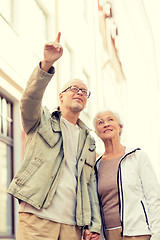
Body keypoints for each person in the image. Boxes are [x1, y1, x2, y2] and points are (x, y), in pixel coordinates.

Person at [7, 32, 101, 240]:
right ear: (61, 96)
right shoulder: (42, 121)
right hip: (37, 219)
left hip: (73, 225)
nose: (79, 93)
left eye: (84, 92)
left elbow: (89, 184)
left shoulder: (89, 142)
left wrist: (93, 224)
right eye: (74, 89)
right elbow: (29, 100)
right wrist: (46, 64)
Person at [93, 110, 160, 240]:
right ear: (96, 132)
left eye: (110, 120)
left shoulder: (136, 156)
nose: (106, 124)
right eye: (100, 122)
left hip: (138, 232)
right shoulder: (96, 166)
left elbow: (154, 197)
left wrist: (157, 234)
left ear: (120, 127)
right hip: (108, 235)